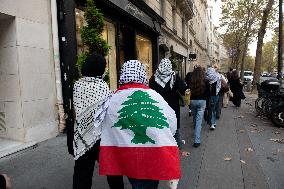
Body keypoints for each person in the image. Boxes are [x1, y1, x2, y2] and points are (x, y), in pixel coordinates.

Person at [99, 60, 181, 189]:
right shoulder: (155, 96)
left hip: (124, 156)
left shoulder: (112, 99)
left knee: (136, 182)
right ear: (143, 75)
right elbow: (172, 124)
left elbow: (105, 127)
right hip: (151, 155)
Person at [72, 53, 124, 189]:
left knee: (82, 173)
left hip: (82, 134)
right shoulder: (102, 86)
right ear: (101, 68)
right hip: (102, 136)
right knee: (112, 169)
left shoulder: (77, 85)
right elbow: (107, 113)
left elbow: (76, 110)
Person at [149, 58, 187, 149]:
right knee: (174, 126)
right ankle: (177, 145)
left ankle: (162, 146)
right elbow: (183, 89)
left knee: (160, 126)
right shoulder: (174, 76)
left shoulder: (154, 77)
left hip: (158, 105)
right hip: (172, 105)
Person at [190, 67, 210, 147]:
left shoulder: (191, 80)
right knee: (199, 121)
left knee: (194, 117)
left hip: (193, 101)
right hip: (202, 102)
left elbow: (188, 90)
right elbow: (208, 93)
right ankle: (197, 140)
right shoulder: (206, 81)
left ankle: (195, 130)